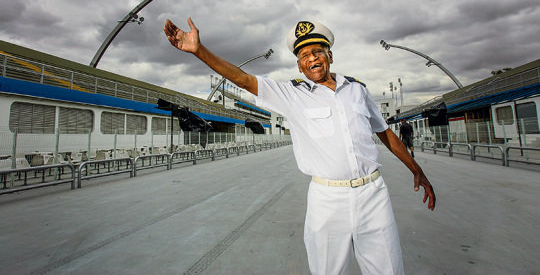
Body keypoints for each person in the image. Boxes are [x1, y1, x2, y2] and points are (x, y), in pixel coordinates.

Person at [163, 18, 436, 275]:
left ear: (330, 56)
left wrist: (416, 168)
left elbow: (385, 133)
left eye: (318, 51)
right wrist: (199, 51)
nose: (312, 58)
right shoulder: (292, 95)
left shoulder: (358, 90)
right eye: (304, 56)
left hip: (373, 194)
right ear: (300, 67)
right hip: (328, 200)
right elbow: (243, 79)